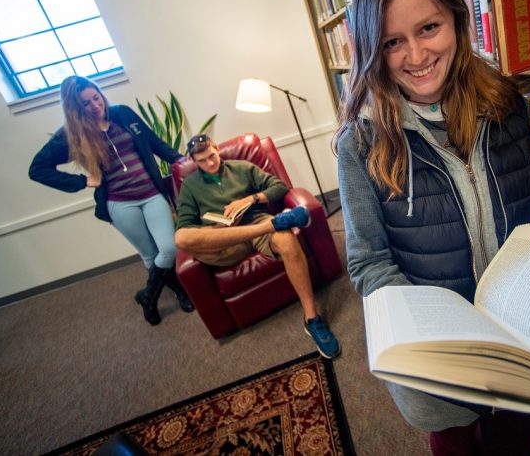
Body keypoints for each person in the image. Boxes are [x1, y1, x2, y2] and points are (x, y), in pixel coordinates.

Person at [334, 0, 530, 455]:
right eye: (392, 41)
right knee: (454, 444)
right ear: (371, 48)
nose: (416, 56)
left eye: (428, 28)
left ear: (456, 20)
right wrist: (442, 330)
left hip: (522, 341)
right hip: (439, 365)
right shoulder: (361, 143)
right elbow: (368, 263)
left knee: (520, 442)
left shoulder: (506, 102)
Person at [29, 76, 193, 326]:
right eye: (86, 104)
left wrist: (187, 163)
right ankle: (179, 291)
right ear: (75, 109)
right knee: (149, 255)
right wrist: (81, 182)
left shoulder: (123, 115)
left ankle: (148, 295)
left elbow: (155, 143)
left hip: (151, 194)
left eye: (96, 97)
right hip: (120, 203)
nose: (95, 105)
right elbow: (38, 168)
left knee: (169, 249)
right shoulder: (71, 136)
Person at [173, 134, 341, 359]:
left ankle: (312, 319)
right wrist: (214, 229)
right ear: (194, 161)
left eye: (212, 156)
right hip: (222, 240)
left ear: (217, 148)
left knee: (287, 240)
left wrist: (250, 200)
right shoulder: (190, 186)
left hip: (255, 222)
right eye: (202, 161)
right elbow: (185, 226)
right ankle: (277, 222)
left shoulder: (241, 167)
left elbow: (278, 187)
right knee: (181, 238)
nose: (210, 163)